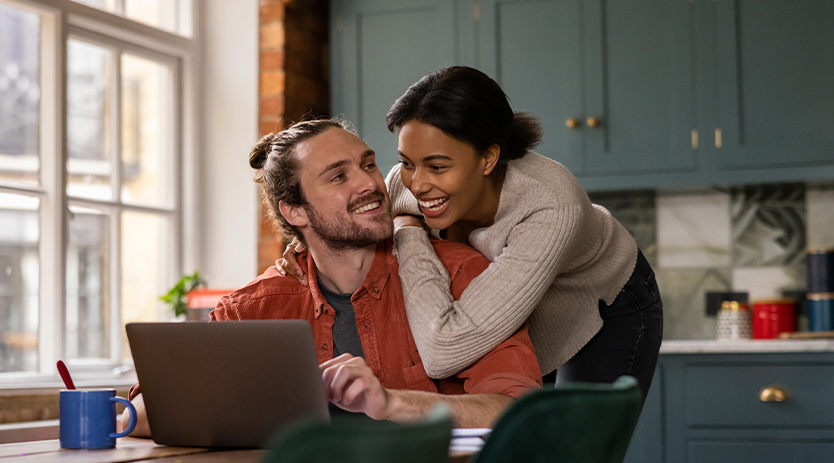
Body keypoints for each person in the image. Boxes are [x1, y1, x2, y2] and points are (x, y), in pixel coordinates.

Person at [120, 118, 542, 435]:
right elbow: (139, 415)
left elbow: (520, 409)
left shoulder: (461, 272)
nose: (372, 184)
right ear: (295, 211)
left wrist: (391, 403)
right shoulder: (251, 309)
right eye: (339, 176)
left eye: (369, 164)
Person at [280, 67, 662, 399]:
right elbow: (340, 220)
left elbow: (444, 349)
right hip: (504, 304)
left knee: (575, 457)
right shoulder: (404, 184)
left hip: (605, 302)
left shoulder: (552, 205)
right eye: (407, 163)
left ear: (489, 159)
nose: (418, 184)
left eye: (438, 166)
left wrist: (408, 229)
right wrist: (301, 246)